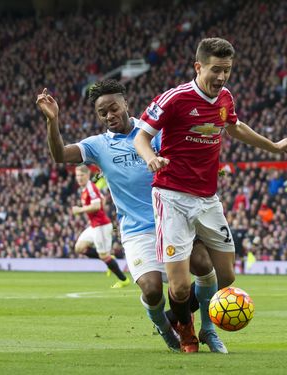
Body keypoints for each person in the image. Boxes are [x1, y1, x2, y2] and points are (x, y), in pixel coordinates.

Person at [134, 37, 287, 353]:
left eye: (227, 70)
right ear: (199, 66)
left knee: (227, 275)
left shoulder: (224, 98)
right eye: (215, 69)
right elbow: (141, 137)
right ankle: (189, 333)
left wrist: (273, 146)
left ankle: (194, 323)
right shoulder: (174, 98)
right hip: (171, 197)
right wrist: (150, 158)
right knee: (180, 287)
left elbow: (234, 127)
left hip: (208, 199)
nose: (221, 77)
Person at [35, 81, 223, 353]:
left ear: (125, 104)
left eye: (113, 108)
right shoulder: (97, 146)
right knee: (152, 290)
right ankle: (164, 324)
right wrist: (52, 121)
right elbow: (59, 154)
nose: (109, 115)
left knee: (204, 265)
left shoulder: (154, 132)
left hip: (174, 219)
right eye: (102, 112)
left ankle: (206, 328)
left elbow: (190, 152)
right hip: (138, 230)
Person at [72, 165, 130, 289]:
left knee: (104, 256)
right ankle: (109, 259)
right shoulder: (85, 189)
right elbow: (102, 199)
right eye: (77, 175)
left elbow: (97, 205)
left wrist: (80, 210)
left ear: (87, 175)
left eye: (81, 175)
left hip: (102, 226)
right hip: (94, 226)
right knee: (79, 248)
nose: (79, 178)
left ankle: (123, 279)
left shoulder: (90, 188)